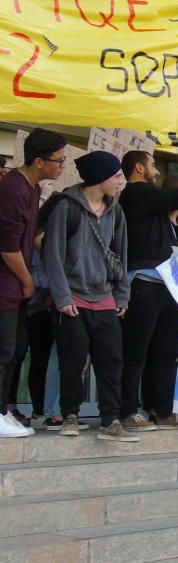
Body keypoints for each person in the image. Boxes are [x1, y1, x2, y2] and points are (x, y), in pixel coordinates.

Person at [118, 152, 178, 432]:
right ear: (139, 168)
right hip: (144, 284)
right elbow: (176, 198)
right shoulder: (137, 193)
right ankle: (128, 409)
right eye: (152, 165)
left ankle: (161, 409)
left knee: (165, 351)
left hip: (167, 285)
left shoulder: (155, 212)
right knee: (136, 352)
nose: (156, 172)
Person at [42, 151, 136, 442]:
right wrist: (62, 296)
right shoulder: (66, 207)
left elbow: (121, 255)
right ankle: (70, 414)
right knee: (73, 359)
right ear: (101, 178)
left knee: (111, 359)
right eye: (117, 175)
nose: (121, 181)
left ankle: (110, 418)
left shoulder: (115, 211)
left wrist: (122, 295)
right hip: (73, 297)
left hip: (105, 296)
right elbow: (53, 255)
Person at [0, 128, 66, 438]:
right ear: (39, 161)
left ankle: (4, 410)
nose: (62, 166)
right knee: (4, 351)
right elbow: (8, 247)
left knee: (15, 351)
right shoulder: (13, 188)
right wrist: (27, 281)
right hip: (7, 284)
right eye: (59, 160)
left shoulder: (30, 188)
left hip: (15, 285)